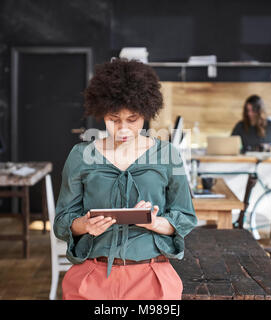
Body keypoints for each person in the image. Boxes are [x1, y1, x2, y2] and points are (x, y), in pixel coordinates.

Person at [53, 58, 197, 300]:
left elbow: (185, 217)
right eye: (113, 119)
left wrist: (154, 222)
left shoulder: (167, 155)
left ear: (146, 112)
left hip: (152, 278)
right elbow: (61, 223)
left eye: (132, 120)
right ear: (101, 113)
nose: (122, 129)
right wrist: (84, 225)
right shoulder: (81, 156)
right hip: (93, 278)